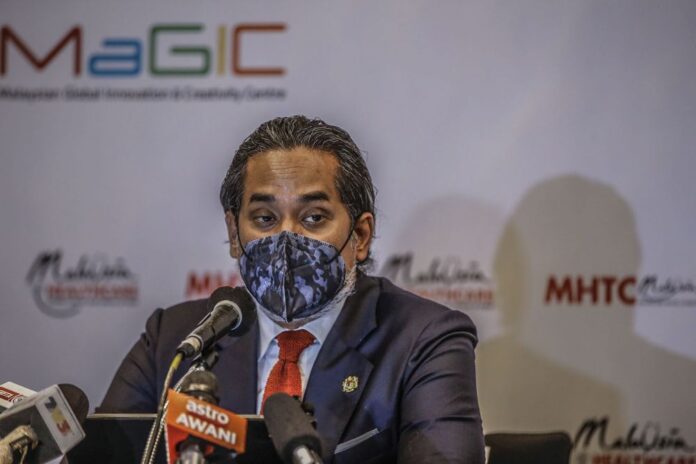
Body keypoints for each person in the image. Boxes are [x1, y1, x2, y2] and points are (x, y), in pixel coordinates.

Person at [100, 115, 484, 464]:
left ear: (361, 235)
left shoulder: (423, 340)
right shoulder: (175, 340)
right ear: (234, 234)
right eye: (264, 218)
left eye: (313, 217)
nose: (286, 238)